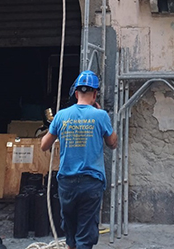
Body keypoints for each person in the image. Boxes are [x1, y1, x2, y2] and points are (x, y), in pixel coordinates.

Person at [41, 70, 117, 249]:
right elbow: (112, 143)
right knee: (86, 231)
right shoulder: (101, 116)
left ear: (76, 94)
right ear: (95, 94)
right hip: (91, 183)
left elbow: (44, 145)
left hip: (67, 182)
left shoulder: (61, 115)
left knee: (70, 230)